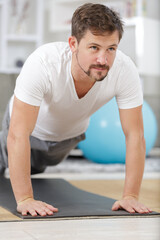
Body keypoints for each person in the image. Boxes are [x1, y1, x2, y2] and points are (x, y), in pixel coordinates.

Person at [0, 3, 152, 217]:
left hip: (65, 141)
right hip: (25, 131)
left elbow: (135, 135)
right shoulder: (44, 62)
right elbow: (18, 134)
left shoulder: (125, 71)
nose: (103, 59)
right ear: (73, 44)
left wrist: (131, 196)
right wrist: (25, 199)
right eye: (94, 48)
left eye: (111, 48)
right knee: (4, 162)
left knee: (34, 170)